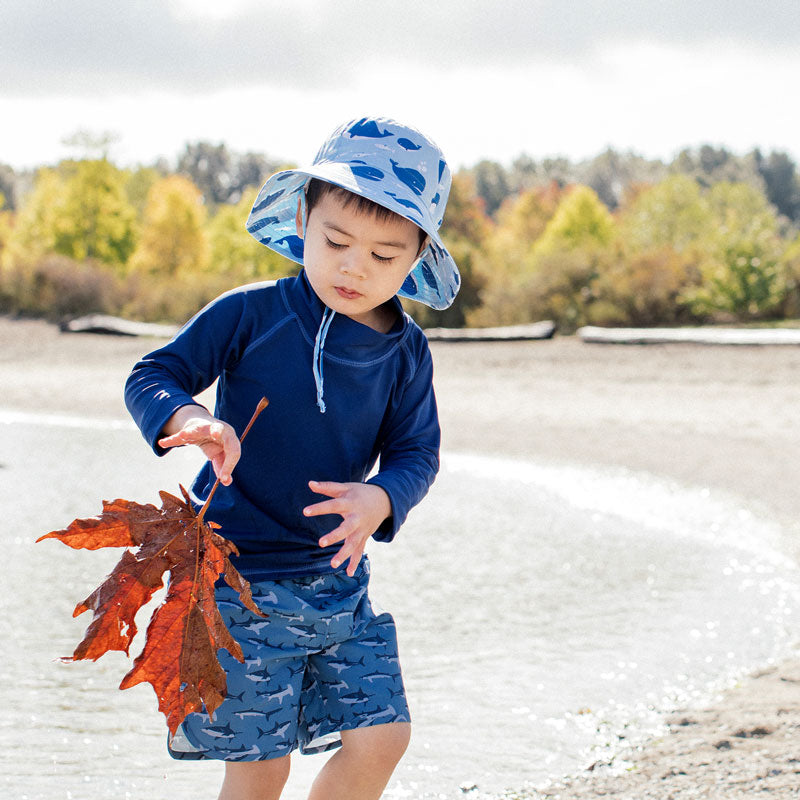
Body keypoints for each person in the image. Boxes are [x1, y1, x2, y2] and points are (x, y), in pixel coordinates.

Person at [124, 116, 460, 800]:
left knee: (384, 737)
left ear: (417, 256)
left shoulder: (406, 352)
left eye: (384, 255)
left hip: (339, 580)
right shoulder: (251, 315)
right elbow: (152, 373)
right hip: (234, 580)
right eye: (336, 240)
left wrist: (383, 497)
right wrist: (191, 418)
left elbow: (416, 448)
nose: (354, 266)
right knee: (260, 767)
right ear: (304, 218)